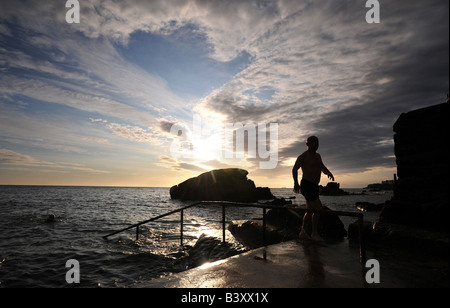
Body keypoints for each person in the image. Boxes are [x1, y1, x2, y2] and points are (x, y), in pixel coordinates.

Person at [292, 136, 334, 241]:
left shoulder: (318, 156)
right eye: (313, 142)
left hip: (315, 186)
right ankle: (314, 233)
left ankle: (303, 232)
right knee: (318, 208)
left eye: (317, 142)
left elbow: (322, 167)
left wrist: (328, 172)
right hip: (306, 185)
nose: (316, 144)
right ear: (308, 144)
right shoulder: (303, 156)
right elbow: (294, 169)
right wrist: (296, 183)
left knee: (310, 210)